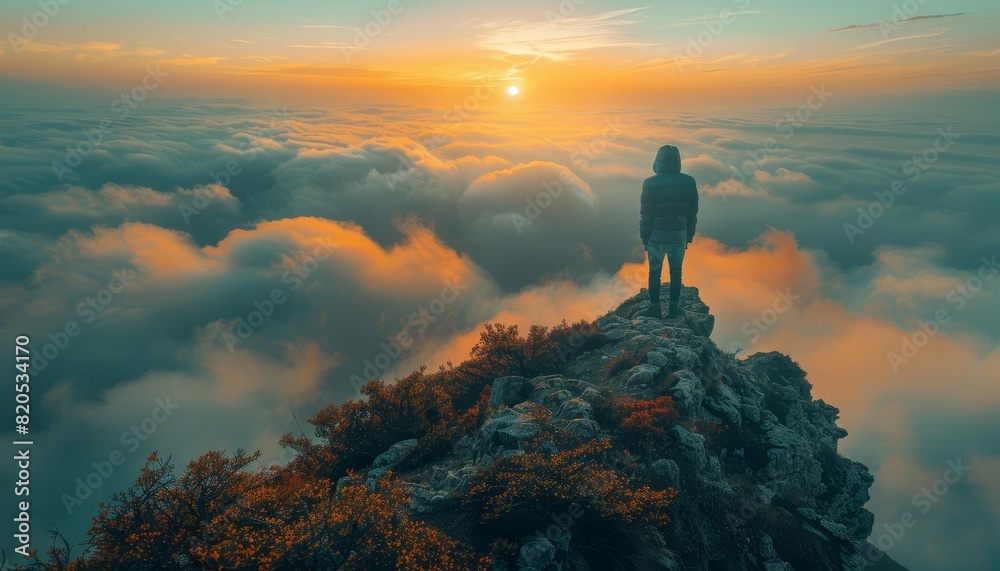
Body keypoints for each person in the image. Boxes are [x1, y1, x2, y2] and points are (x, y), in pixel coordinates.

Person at [639, 145, 699, 319]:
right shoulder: (689, 182)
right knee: (676, 271)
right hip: (678, 236)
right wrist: (689, 236)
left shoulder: (650, 183)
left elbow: (646, 214)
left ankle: (654, 309)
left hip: (656, 238)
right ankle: (674, 308)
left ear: (658, 162)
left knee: (654, 273)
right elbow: (692, 213)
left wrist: (645, 237)